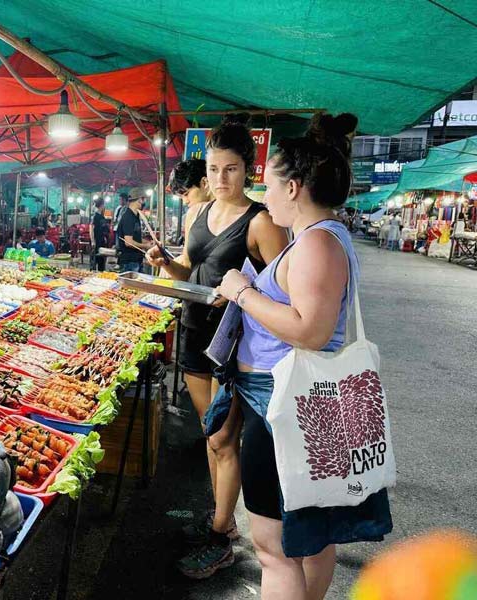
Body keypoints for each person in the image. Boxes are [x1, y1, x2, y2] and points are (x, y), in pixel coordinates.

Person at [213, 113, 392, 599]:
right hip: (293, 402)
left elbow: (310, 330)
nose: (264, 195)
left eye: (268, 184)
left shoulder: (316, 242)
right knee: (311, 540)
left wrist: (243, 292)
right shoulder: (320, 237)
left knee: (275, 548)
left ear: (293, 187)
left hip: (285, 406)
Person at [147, 117, 288, 579]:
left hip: (234, 346)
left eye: (230, 169)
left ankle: (221, 537)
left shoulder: (262, 222)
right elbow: (188, 271)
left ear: (248, 168)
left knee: (225, 439)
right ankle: (220, 521)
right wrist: (165, 263)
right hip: (194, 335)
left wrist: (244, 294)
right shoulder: (197, 214)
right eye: (213, 169)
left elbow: (285, 293)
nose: (220, 178)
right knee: (212, 437)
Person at [117, 188, 150, 272]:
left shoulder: (135, 216)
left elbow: (135, 237)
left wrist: (148, 242)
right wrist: (146, 246)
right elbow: (128, 242)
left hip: (136, 260)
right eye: (144, 199)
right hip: (129, 262)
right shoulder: (128, 217)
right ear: (139, 200)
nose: (144, 202)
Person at [90, 197, 110, 271]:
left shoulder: (101, 216)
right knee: (94, 261)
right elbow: (91, 228)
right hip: (96, 240)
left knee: (101, 261)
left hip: (101, 241)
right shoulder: (95, 216)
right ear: (102, 205)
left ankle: (101, 275)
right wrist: (93, 241)